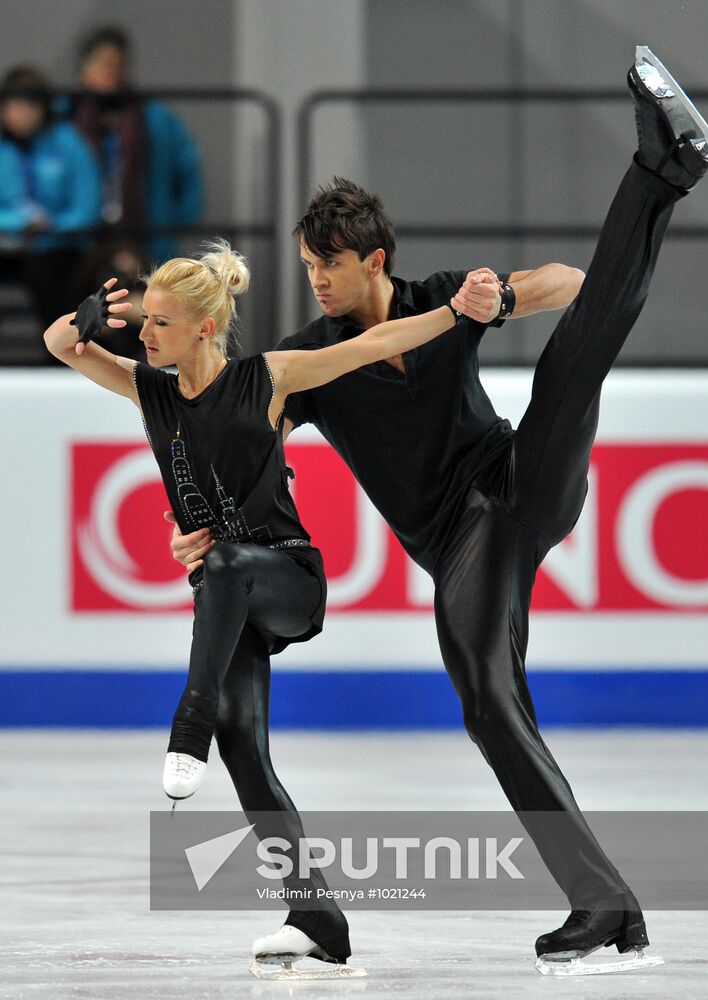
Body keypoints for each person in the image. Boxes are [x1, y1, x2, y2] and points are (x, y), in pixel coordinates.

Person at [169, 48, 708, 973]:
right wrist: (211, 520)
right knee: (487, 701)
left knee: (572, 362)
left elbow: (569, 287)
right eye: (309, 265)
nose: (315, 281)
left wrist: (498, 296)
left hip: (519, 481)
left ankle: (659, 172)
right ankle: (605, 905)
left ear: (373, 261)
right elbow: (243, 431)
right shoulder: (315, 355)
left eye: (329, 266)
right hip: (458, 544)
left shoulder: (438, 303)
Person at [43, 238, 473, 973]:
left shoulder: (265, 378)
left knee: (229, 562)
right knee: (247, 752)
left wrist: (456, 314)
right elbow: (61, 347)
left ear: (205, 328)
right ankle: (315, 915)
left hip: (288, 580)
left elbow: (376, 341)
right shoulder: (150, 389)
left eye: (160, 324)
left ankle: (190, 721)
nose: (145, 337)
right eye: (143, 321)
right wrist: (81, 322)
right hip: (225, 596)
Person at [70, 25, 203, 262]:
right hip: (79, 240)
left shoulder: (156, 119)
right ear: (84, 68)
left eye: (116, 64)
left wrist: (176, 224)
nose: (109, 72)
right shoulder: (65, 119)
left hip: (147, 236)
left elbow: (188, 172)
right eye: (101, 63)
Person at [0, 66, 100, 331]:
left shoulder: (68, 142)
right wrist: (20, 221)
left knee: (48, 272)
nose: (23, 113)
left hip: (58, 244)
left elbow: (87, 207)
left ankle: (59, 355)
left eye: (31, 105)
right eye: (15, 105)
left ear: (44, 108)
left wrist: (51, 225)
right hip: (8, 242)